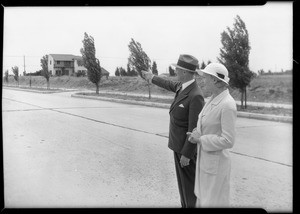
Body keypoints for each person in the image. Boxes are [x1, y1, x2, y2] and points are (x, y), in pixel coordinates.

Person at [142, 54, 204, 208]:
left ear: (184, 72)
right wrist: (152, 77)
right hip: (178, 146)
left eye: (177, 69)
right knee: (183, 187)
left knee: (189, 188)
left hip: (185, 150)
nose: (175, 71)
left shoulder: (195, 95)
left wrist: (187, 154)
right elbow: (168, 84)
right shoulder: (183, 87)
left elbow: (194, 128)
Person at [186, 62, 237, 207]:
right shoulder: (212, 100)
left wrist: (201, 139)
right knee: (204, 200)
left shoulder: (227, 104)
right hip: (207, 163)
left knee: (213, 203)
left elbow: (228, 140)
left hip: (217, 166)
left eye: (205, 77)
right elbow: (208, 125)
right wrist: (197, 133)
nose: (201, 81)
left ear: (215, 80)